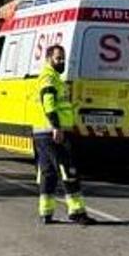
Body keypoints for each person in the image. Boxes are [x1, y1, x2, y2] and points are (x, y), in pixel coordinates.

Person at [32, 44, 93, 225]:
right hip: (52, 132)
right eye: (58, 58)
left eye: (63, 58)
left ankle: (46, 212)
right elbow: (48, 103)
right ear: (49, 59)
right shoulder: (49, 78)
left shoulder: (53, 78)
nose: (62, 62)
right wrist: (56, 126)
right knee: (68, 170)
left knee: (48, 173)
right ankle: (77, 211)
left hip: (42, 132)